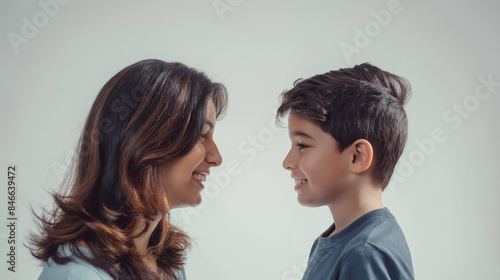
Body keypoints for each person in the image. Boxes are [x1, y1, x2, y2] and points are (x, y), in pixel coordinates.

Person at [30, 59, 228, 280]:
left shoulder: (165, 265)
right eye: (202, 135)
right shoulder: (80, 275)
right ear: (146, 143)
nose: (216, 158)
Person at [277, 63, 415, 279]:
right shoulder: (340, 240)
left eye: (302, 145)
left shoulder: (365, 253)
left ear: (357, 157)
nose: (287, 162)